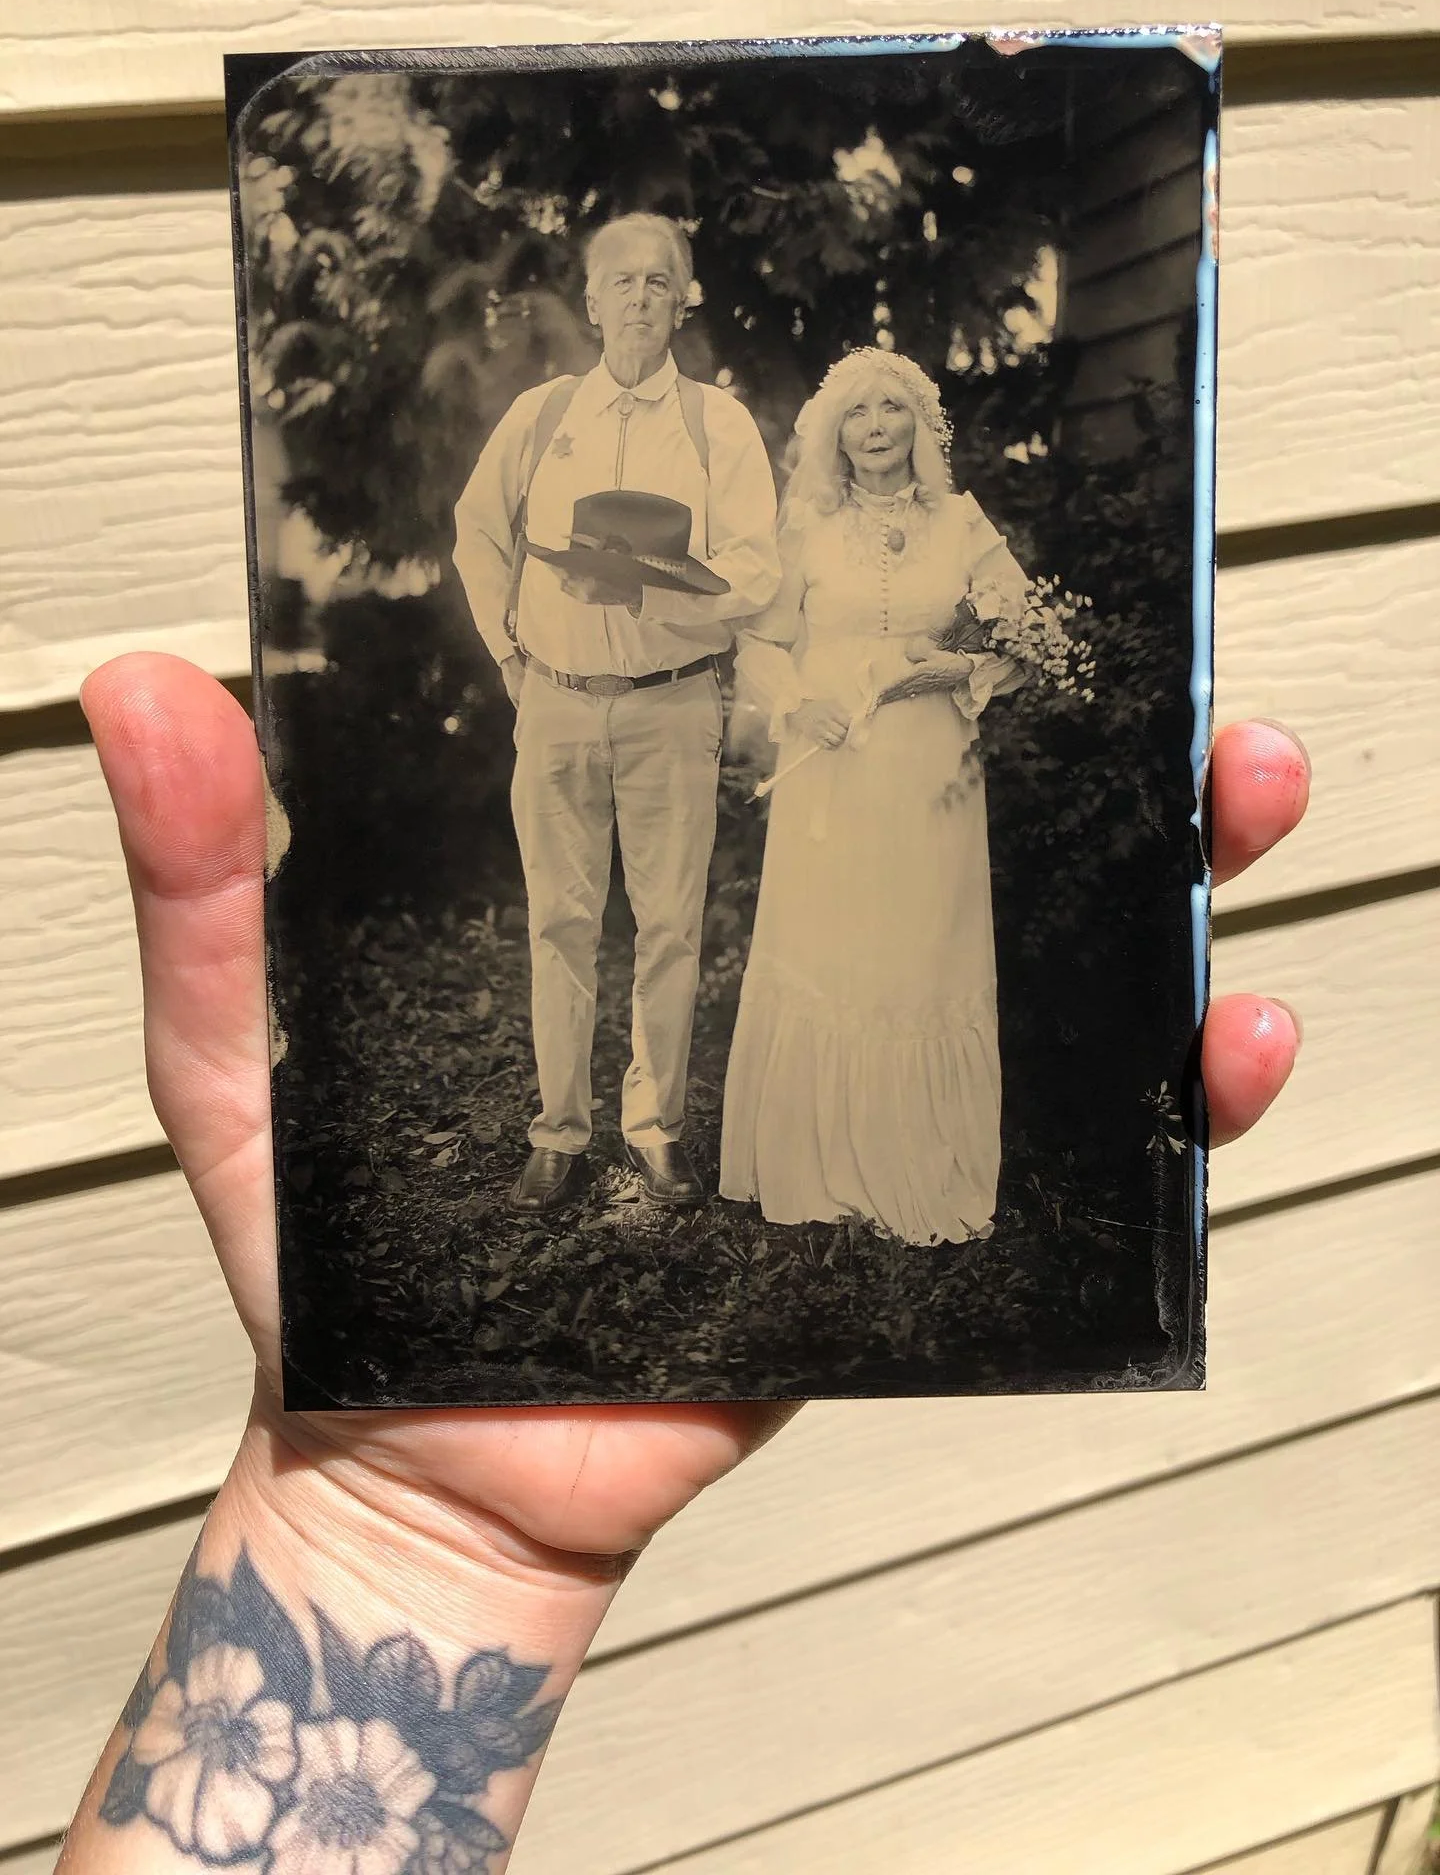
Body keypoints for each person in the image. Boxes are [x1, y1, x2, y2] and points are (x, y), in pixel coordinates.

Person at [56, 653, 1307, 1872]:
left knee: (687, 927)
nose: (874, 424)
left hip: (870, 759)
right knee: (593, 921)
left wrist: (411, 1534)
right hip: (683, 721)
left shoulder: (737, 452)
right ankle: (619, 1131)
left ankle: (709, 1140)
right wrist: (379, 1515)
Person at [452, 211, 781, 1213]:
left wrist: (661, 590)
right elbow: (476, 533)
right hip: (553, 704)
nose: (641, 297)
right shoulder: (545, 417)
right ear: (591, 304)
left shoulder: (716, 424)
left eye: (659, 281)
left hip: (673, 709)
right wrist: (510, 655)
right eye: (621, 282)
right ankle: (558, 1134)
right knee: (559, 922)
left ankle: (657, 1131)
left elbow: (760, 571)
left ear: (686, 301)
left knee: (672, 927)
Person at [721, 347, 1031, 1244]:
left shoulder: (963, 523)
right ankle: (821, 1161)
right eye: (858, 414)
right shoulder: (807, 527)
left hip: (931, 765)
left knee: (921, 945)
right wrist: (798, 703)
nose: (875, 429)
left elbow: (1020, 630)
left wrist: (960, 664)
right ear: (834, 433)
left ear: (920, 428)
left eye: (892, 409)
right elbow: (763, 644)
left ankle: (923, 1161)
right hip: (838, 763)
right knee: (837, 942)